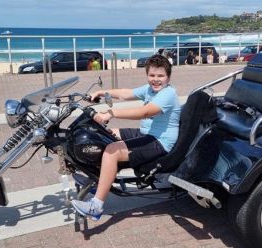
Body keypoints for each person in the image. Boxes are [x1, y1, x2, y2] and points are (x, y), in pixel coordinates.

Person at [71, 54, 181, 220]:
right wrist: (103, 91)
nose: (156, 80)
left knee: (112, 151)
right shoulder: (150, 89)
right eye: (152, 75)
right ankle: (99, 182)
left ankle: (96, 206)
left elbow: (144, 112)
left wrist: (112, 112)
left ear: (168, 77)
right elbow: (126, 93)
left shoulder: (168, 94)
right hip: (148, 134)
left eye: (161, 76)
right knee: (105, 135)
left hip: (160, 142)